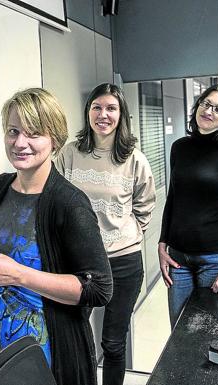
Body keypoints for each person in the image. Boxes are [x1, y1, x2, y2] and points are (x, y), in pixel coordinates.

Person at [0, 87, 113, 385]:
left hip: (51, 351)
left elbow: (99, 289)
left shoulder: (69, 203)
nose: (20, 143)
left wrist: (18, 275)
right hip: (5, 341)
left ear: (55, 139)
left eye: (33, 133)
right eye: (13, 131)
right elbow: (10, 260)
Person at [55, 83, 155, 385]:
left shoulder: (134, 159)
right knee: (76, 338)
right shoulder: (71, 153)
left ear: (121, 114)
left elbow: (144, 206)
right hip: (79, 264)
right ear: (88, 112)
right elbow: (56, 198)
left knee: (112, 343)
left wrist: (124, 235)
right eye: (97, 107)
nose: (103, 114)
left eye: (111, 108)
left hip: (123, 263)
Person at [158, 84, 218, 328]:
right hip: (178, 260)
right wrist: (162, 243)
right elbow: (173, 199)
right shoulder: (179, 147)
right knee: (179, 336)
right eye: (206, 103)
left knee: (213, 337)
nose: (209, 111)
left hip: (216, 261)